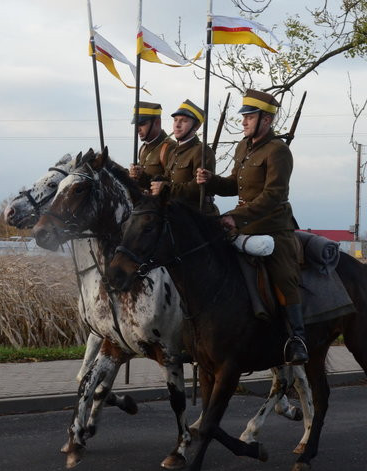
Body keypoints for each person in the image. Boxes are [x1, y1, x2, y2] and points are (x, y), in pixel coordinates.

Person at [195, 89, 307, 365]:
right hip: (243, 222)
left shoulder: (278, 151)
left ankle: (297, 338)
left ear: (266, 120)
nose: (243, 122)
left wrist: (237, 217)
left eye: (249, 117)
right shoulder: (243, 147)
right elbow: (235, 184)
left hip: (274, 226)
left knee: (283, 275)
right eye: (244, 116)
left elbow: (274, 194)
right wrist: (211, 180)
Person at [150, 99, 219, 216]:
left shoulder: (202, 151)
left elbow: (199, 187)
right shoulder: (174, 152)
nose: (177, 125)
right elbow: (167, 179)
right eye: (175, 120)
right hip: (174, 209)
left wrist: (167, 189)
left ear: (196, 126)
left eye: (184, 121)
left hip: (196, 214)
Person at [128, 101, 176, 190]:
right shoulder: (143, 148)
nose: (138, 129)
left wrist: (143, 177)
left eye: (142, 124)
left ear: (157, 123)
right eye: (136, 125)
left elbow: (172, 184)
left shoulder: (170, 147)